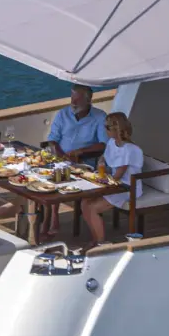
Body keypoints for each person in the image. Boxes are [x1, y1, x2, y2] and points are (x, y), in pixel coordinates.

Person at [39, 84, 109, 240]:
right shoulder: (62, 114)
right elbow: (53, 140)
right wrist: (62, 156)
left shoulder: (99, 117)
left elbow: (103, 144)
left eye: (77, 99)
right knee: (51, 176)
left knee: (58, 176)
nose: (73, 102)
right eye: (72, 98)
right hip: (60, 157)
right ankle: (53, 216)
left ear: (88, 101)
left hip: (85, 162)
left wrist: (80, 152)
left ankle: (49, 222)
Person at [81, 112, 144, 248]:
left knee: (92, 207)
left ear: (116, 129)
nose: (105, 130)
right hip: (114, 184)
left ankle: (101, 243)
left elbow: (118, 176)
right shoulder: (112, 143)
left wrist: (99, 182)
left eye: (107, 127)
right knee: (84, 202)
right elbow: (105, 157)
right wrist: (101, 162)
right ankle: (95, 238)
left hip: (127, 187)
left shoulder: (130, 150)